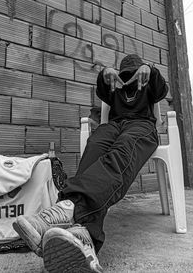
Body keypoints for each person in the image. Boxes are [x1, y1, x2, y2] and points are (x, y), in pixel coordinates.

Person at [12, 54, 168, 273]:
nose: (130, 78)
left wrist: (150, 71)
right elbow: (103, 91)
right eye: (126, 75)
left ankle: (64, 209)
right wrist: (104, 74)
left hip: (141, 126)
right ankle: (84, 239)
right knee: (93, 151)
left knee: (122, 151)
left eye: (133, 73)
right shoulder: (115, 87)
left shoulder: (148, 81)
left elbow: (161, 91)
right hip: (113, 126)